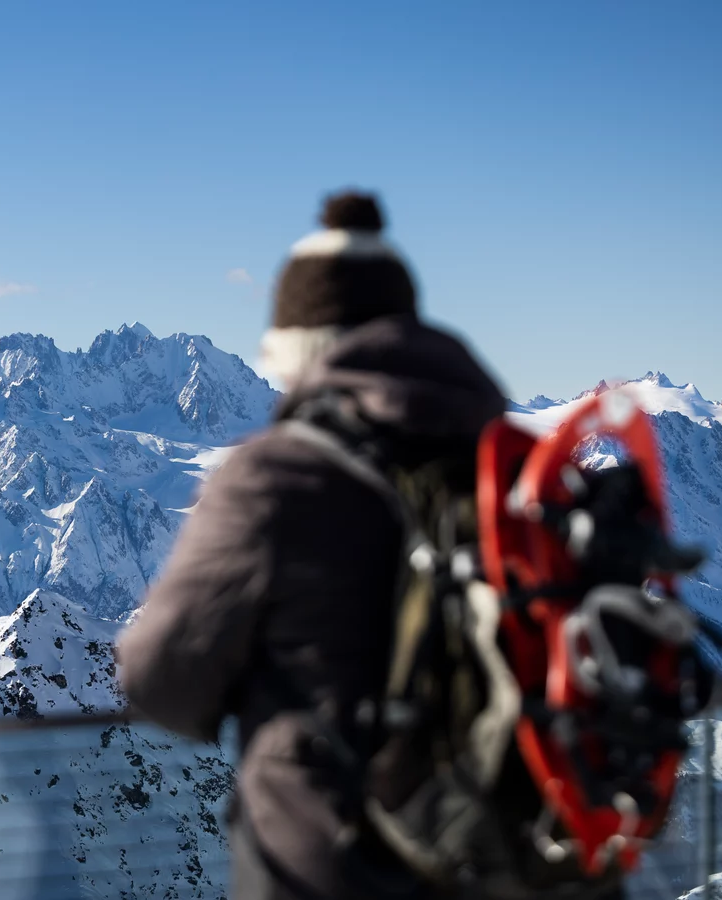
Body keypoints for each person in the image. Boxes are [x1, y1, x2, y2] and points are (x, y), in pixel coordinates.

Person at [116, 190, 508, 899]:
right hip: (518, 854)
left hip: (334, 867)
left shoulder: (275, 476)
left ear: (301, 350)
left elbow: (159, 679)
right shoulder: (518, 466)